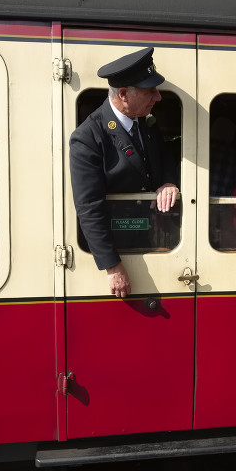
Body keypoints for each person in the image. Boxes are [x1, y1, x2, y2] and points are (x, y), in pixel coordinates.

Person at [70, 47, 179, 298]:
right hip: (116, 250)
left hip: (147, 239)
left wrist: (168, 182)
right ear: (123, 94)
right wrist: (112, 266)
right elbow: (88, 206)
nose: (158, 97)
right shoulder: (89, 136)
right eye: (149, 91)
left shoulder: (144, 122)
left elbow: (165, 155)